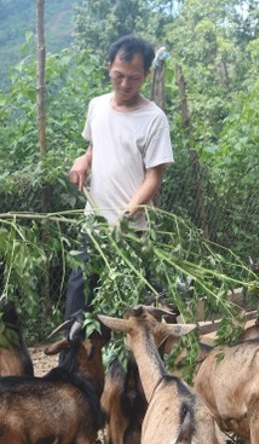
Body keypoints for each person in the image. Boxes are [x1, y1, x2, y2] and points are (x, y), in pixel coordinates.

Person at [65, 35, 174, 318]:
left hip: (132, 230)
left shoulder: (154, 118)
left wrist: (126, 216)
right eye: (119, 75)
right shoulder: (97, 106)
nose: (125, 84)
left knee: (127, 308)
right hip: (94, 225)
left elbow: (154, 176)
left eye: (134, 78)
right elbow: (94, 147)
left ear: (146, 75)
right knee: (78, 300)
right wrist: (82, 160)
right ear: (109, 67)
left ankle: (126, 363)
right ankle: (71, 362)